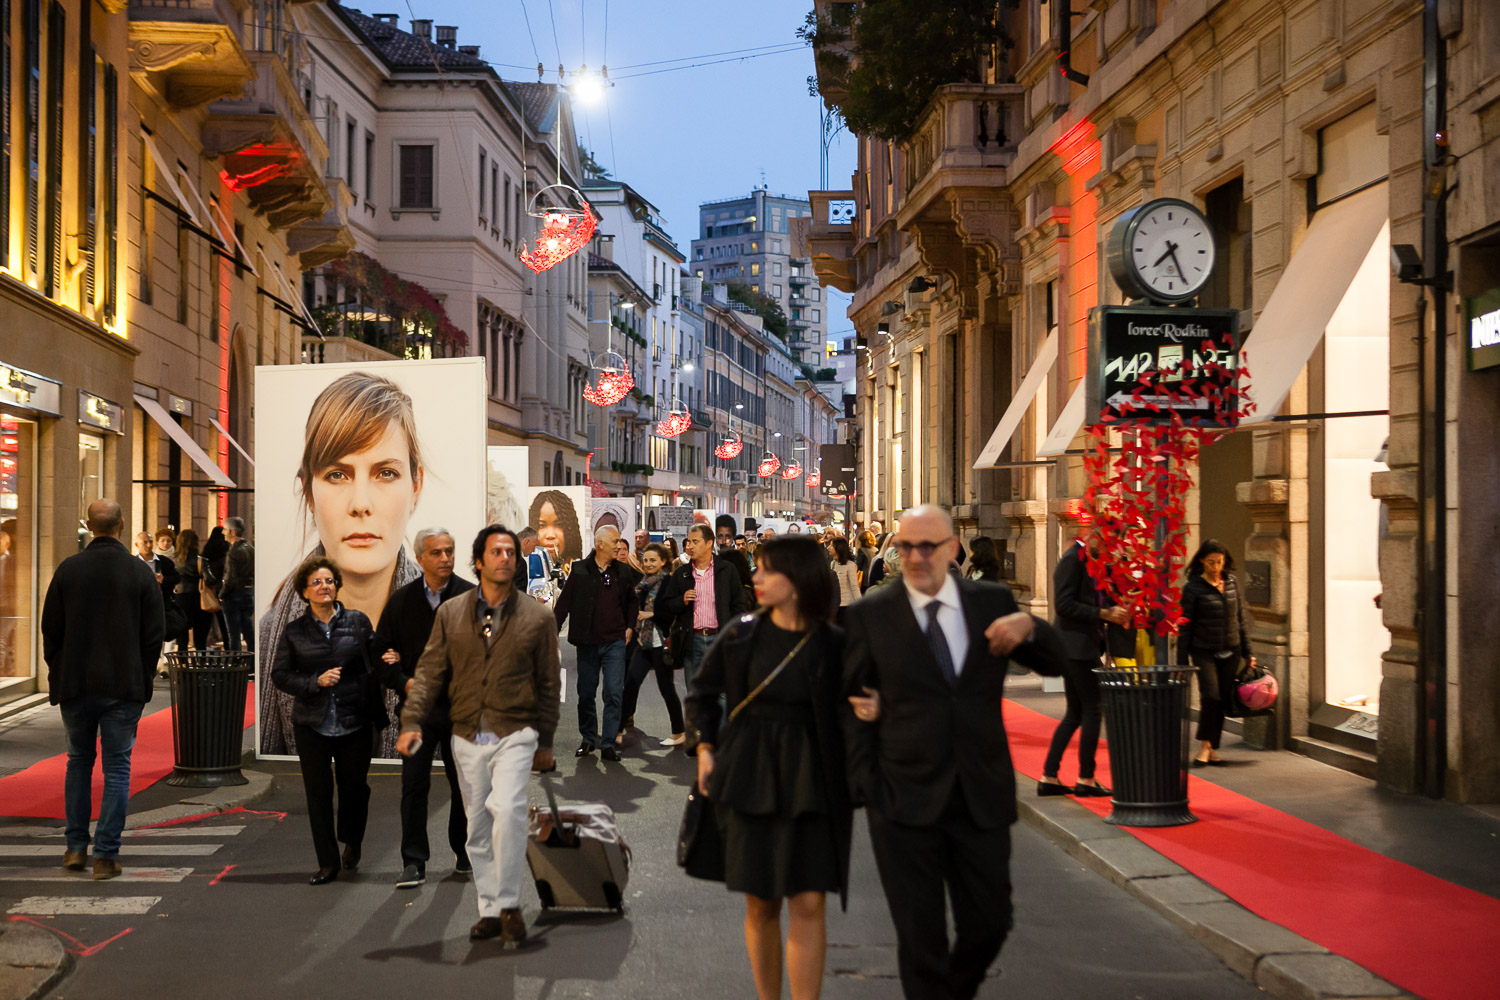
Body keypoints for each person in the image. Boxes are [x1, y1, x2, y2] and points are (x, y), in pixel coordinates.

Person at [842, 505, 1072, 1000]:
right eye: (905, 547)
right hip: (902, 802)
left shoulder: (989, 602)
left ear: (952, 549)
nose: (915, 557)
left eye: (927, 546)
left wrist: (1031, 628)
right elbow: (845, 702)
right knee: (919, 938)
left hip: (979, 795)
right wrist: (867, 785)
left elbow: (1059, 661)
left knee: (991, 922)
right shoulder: (869, 615)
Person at [688, 535, 854, 1000]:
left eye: (767, 570)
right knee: (761, 902)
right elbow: (701, 695)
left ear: (799, 580)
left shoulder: (834, 644)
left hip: (814, 776)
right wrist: (703, 749)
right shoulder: (741, 634)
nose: (755, 578)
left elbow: (857, 705)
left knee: (808, 899)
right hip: (750, 773)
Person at [397, 525, 561, 947]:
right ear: (480, 561)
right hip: (467, 732)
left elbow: (548, 683)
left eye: (510, 551)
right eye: (496, 551)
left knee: (507, 810)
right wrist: (412, 721)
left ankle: (508, 906)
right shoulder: (451, 614)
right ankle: (490, 910)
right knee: (477, 827)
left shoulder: (538, 617)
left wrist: (545, 742)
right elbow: (430, 671)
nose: (505, 557)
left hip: (517, 731)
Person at [259, 372, 426, 757]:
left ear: (415, 486)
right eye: (337, 474)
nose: (360, 503)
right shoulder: (275, 630)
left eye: (386, 473)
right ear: (310, 491)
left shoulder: (451, 625)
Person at [41, 500, 165, 881]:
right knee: (117, 768)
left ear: (90, 527)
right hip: (123, 685)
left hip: (76, 684)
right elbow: (154, 634)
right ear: (121, 526)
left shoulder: (69, 569)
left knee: (78, 762)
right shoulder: (139, 572)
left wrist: (59, 670)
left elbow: (51, 630)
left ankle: (75, 848)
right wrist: (142, 676)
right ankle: (106, 855)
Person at [269, 556, 383, 885]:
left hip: (354, 721)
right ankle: (327, 862)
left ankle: (353, 840)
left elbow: (375, 658)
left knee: (354, 790)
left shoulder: (358, 622)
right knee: (318, 795)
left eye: (329, 581)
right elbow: (280, 674)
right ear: (304, 592)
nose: (324, 586)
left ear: (337, 586)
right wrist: (313, 683)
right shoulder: (294, 632)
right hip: (312, 723)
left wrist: (389, 658)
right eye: (316, 582)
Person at [373, 528, 476, 889]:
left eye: (449, 551)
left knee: (463, 784)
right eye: (437, 552)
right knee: (414, 786)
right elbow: (380, 653)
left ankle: (464, 853)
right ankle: (413, 861)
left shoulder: (470, 597)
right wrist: (404, 681)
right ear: (420, 558)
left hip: (460, 711)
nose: (445, 558)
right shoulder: (401, 602)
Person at [1040, 536, 1133, 797]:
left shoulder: (1096, 562)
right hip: (1075, 648)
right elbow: (1064, 604)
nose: (1111, 547)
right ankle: (1086, 779)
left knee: (1075, 713)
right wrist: (1104, 614)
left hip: (1082, 646)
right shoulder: (1073, 559)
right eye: (1107, 541)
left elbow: (1106, 596)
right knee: (1093, 710)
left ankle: (1049, 776)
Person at [553, 525, 638, 761]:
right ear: (600, 544)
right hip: (587, 642)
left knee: (613, 693)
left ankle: (608, 742)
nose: (619, 545)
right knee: (586, 693)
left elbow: (632, 602)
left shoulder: (623, 571)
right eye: (615, 541)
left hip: (615, 642)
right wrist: (551, 632)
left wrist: (630, 626)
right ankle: (588, 739)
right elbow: (563, 604)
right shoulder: (580, 570)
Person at [1178, 539, 1255, 767]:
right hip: (1203, 650)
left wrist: (1248, 652)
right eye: (1211, 562)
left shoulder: (1231, 583)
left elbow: (1240, 620)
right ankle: (1204, 746)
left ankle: (1212, 749)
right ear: (1201, 560)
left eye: (1220, 562)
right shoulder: (1193, 588)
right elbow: (1185, 626)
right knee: (1210, 695)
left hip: (1230, 650)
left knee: (1220, 699)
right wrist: (1183, 662)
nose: (1216, 567)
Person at [656, 523, 750, 701]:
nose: (689, 546)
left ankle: (719, 729)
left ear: (709, 543)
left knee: (721, 695)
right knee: (695, 695)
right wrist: (681, 600)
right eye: (688, 542)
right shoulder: (682, 573)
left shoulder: (726, 570)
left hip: (719, 639)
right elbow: (666, 605)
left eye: (695, 541)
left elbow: (738, 605)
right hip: (692, 640)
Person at [620, 543, 685, 747]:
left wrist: (652, 614)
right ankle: (618, 728)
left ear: (663, 561)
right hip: (644, 641)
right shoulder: (642, 583)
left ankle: (678, 732)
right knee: (630, 684)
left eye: (653, 560)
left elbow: (672, 611)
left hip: (661, 642)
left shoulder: (668, 582)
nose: (648, 564)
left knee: (666, 689)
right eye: (646, 560)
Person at [220, 517, 255, 653]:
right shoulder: (250, 548)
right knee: (248, 631)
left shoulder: (233, 551)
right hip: (248, 593)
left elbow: (231, 577)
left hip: (233, 596)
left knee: (233, 634)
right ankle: (252, 663)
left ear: (232, 532)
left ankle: (235, 664)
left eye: (225, 529)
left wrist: (222, 594)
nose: (223, 532)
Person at [173, 529, 210, 651]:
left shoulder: (173, 560)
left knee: (182, 639)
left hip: (180, 598)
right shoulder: (201, 560)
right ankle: (201, 664)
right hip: (198, 598)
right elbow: (210, 579)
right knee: (200, 638)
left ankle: (182, 667)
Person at [530, 489, 583, 564]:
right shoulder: (525, 571)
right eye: (541, 526)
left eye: (559, 525)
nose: (550, 535)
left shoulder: (578, 572)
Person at [201, 526, 230, 646]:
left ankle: (203, 647)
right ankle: (229, 649)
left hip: (209, 590)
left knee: (206, 623)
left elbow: (204, 570)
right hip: (224, 591)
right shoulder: (226, 550)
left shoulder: (207, 550)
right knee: (225, 624)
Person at [716, 515, 754, 602]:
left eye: (728, 537)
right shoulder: (715, 558)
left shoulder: (737, 557)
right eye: (720, 536)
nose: (724, 540)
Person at [829, 536, 860, 627]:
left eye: (831, 546)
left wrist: (860, 604)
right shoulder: (832, 563)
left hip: (846, 605)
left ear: (839, 548)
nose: (828, 548)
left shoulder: (850, 565)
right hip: (835, 605)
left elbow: (854, 586)